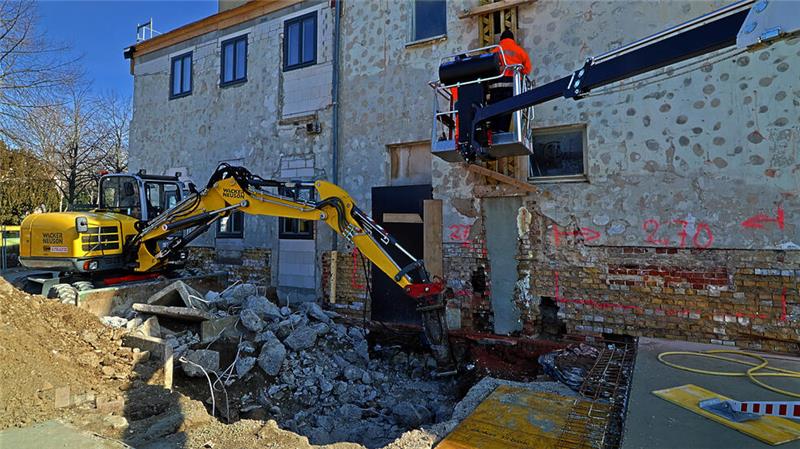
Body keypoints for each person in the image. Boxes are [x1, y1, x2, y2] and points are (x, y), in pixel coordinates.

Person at [489, 29, 532, 132]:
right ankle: (503, 130)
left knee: (494, 108)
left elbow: (489, 68)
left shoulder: (495, 51)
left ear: (501, 40)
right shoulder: (520, 51)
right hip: (512, 84)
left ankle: (493, 130)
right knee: (507, 109)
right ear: (513, 39)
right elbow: (527, 69)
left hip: (496, 85)